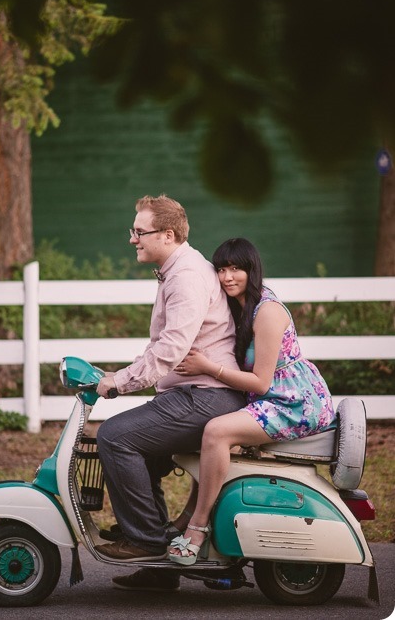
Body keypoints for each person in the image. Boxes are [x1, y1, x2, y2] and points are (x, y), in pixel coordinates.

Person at [94, 196, 246, 583]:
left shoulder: (187, 276)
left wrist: (120, 383)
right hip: (192, 393)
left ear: (168, 234)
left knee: (114, 436)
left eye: (139, 232)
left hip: (207, 396)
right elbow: (161, 345)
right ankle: (156, 567)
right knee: (137, 450)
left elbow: (172, 348)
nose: (132, 239)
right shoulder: (174, 271)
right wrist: (119, 374)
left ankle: (145, 541)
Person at [168, 237, 336, 566]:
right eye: (221, 269)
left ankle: (197, 527)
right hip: (273, 397)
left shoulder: (267, 312)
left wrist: (207, 367)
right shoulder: (241, 307)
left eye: (236, 269)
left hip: (293, 403)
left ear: (252, 270)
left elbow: (261, 382)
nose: (228, 277)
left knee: (217, 432)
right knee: (207, 432)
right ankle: (190, 515)